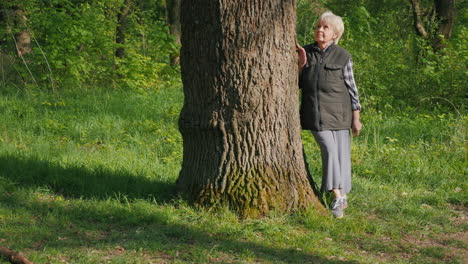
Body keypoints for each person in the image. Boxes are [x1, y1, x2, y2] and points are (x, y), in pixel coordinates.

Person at [297, 11, 362, 218]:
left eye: (325, 27)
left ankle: (342, 196)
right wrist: (300, 65)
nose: (320, 30)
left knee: (341, 156)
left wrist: (356, 117)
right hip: (315, 113)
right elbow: (294, 83)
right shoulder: (305, 52)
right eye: (318, 26)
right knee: (330, 151)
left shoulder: (343, 55)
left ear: (335, 34)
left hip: (340, 113)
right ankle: (336, 195)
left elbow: (352, 88)